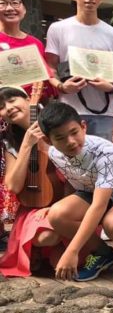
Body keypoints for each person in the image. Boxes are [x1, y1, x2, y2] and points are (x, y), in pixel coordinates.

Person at [38, 102, 113, 281]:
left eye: (74, 132)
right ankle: (102, 253)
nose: (70, 142)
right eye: (60, 137)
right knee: (57, 215)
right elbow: (73, 181)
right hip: (93, 190)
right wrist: (64, 206)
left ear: (83, 127)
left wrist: (72, 251)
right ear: (48, 140)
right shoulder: (54, 153)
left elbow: (98, 206)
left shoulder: (104, 152)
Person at [44, 0, 113, 141]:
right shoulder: (58, 28)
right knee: (71, 163)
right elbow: (50, 66)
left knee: (100, 163)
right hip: (68, 111)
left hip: (105, 112)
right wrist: (62, 86)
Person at [0, 0, 55, 234]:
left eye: (15, 2)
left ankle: (16, 224)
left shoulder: (34, 43)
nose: (10, 8)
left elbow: (42, 81)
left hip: (27, 115)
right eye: (2, 3)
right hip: (3, 113)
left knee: (25, 165)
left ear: (23, 8)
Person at [0, 88, 63, 277]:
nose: (8, 108)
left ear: (29, 99)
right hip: (35, 205)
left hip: (66, 198)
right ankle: (41, 247)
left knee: (61, 264)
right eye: (1, 107)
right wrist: (26, 145)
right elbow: (13, 186)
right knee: (46, 237)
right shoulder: (10, 142)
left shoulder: (57, 121)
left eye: (12, 100)